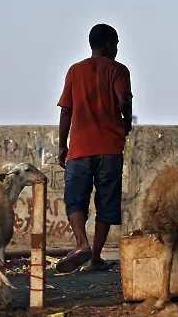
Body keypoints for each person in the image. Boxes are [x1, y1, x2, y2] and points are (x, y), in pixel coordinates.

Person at [55, 23, 132, 274]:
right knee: (106, 202)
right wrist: (126, 122)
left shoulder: (74, 71)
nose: (117, 48)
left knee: (75, 199)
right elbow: (123, 100)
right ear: (109, 44)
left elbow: (66, 111)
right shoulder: (119, 70)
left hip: (79, 149)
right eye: (116, 44)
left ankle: (81, 244)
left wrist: (61, 146)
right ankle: (95, 257)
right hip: (109, 148)